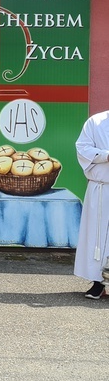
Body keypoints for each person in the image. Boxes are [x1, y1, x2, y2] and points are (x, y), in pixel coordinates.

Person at [75, 110, 109, 299]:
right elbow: (83, 148)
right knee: (98, 238)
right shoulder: (95, 122)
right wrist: (106, 156)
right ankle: (98, 282)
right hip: (102, 189)